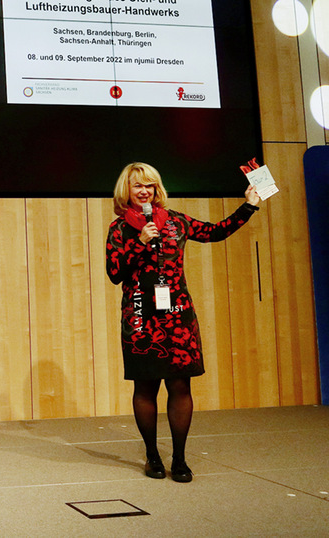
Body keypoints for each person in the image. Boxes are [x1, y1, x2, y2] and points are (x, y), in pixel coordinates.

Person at [105, 162, 260, 483]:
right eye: (137, 186)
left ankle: (179, 458)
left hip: (178, 315)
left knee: (180, 385)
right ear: (127, 191)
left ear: (157, 188)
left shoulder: (176, 221)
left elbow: (215, 232)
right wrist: (141, 242)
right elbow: (114, 273)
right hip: (140, 316)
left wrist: (250, 206)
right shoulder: (119, 229)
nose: (144, 190)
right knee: (145, 386)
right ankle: (151, 456)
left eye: (149, 184)